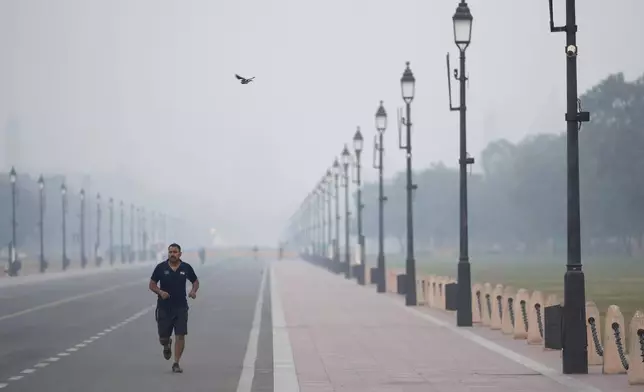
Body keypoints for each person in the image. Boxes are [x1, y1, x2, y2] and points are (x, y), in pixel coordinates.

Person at [149, 243, 199, 373]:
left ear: (180, 254)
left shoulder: (186, 267)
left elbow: (195, 281)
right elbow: (152, 284)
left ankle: (176, 363)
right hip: (164, 308)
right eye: (170, 252)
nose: (172, 254)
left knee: (180, 335)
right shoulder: (161, 268)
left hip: (181, 307)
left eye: (175, 252)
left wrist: (193, 291)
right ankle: (167, 344)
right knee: (163, 338)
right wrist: (160, 292)